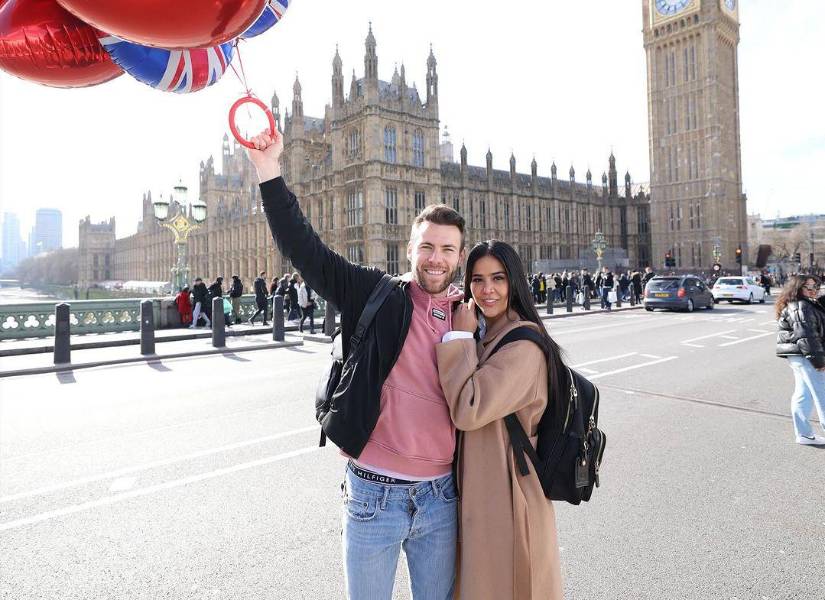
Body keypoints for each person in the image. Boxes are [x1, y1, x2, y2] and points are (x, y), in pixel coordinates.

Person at [247, 129, 464, 599]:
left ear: (459, 256)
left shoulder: (469, 314)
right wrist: (269, 169)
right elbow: (306, 251)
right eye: (427, 247)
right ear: (410, 249)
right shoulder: (376, 293)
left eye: (447, 249)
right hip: (373, 496)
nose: (436, 258)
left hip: (442, 498)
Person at [437, 239, 564, 599]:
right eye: (477, 280)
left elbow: (468, 407)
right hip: (485, 491)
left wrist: (459, 336)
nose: (487, 290)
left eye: (498, 278)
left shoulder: (523, 346)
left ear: (515, 282)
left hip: (508, 495)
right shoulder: (491, 335)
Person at [775, 274, 825, 445]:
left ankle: (804, 434)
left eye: (815, 287)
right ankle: (804, 433)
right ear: (797, 288)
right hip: (807, 356)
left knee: (804, 394)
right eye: (808, 287)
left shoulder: (806, 304)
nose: (813, 290)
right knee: (822, 394)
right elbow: (806, 336)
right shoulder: (800, 306)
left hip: (801, 356)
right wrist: (818, 362)